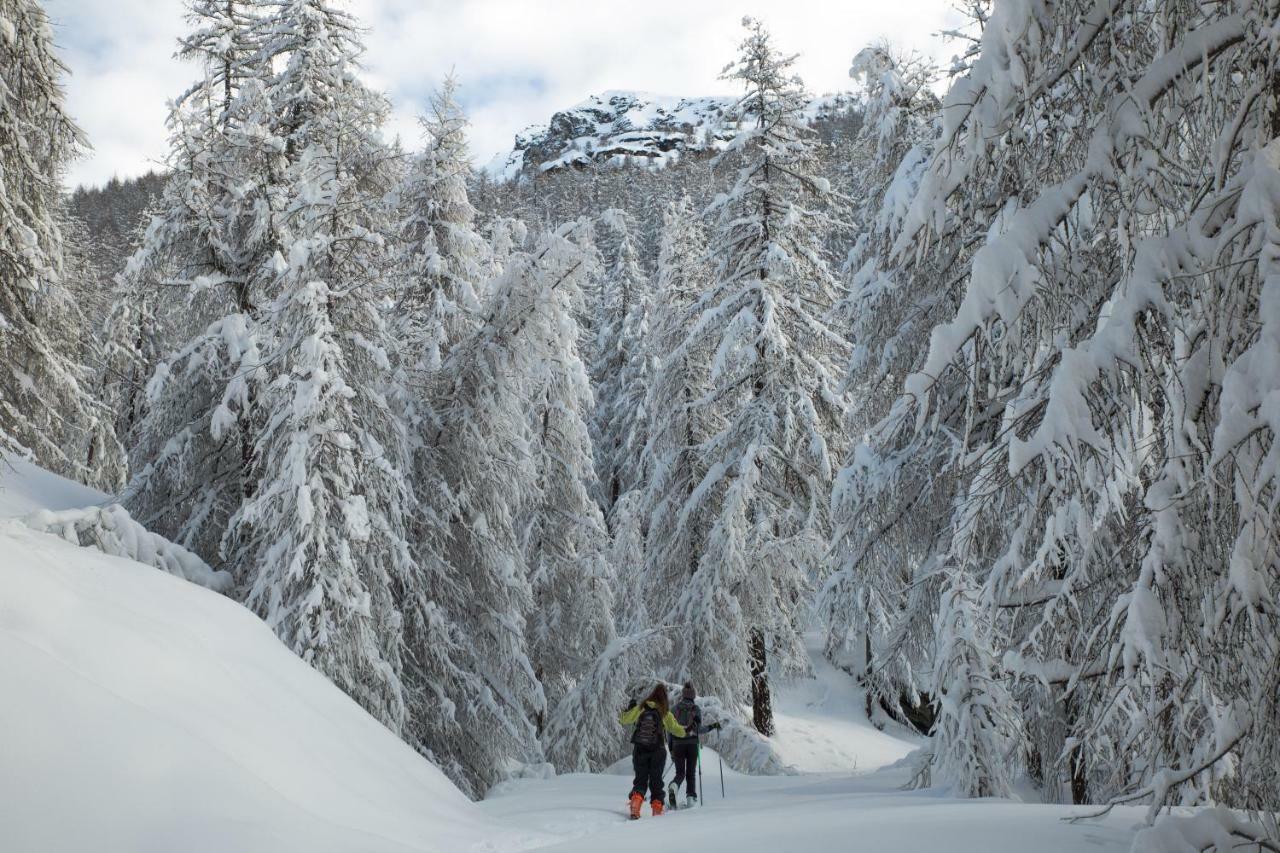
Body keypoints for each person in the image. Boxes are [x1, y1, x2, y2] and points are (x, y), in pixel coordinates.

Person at [618, 683, 687, 819]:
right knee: (656, 782)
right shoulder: (664, 712)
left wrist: (629, 709)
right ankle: (657, 812)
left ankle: (635, 807)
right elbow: (676, 729)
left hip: (640, 750)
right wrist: (687, 732)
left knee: (640, 780)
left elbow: (623, 719)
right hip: (658, 751)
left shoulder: (641, 707)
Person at [668, 681, 719, 808]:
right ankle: (691, 798)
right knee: (691, 772)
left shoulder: (674, 709)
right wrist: (712, 726)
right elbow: (698, 730)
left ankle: (674, 786)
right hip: (692, 745)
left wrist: (671, 748)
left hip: (677, 744)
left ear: (683, 695)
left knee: (680, 773)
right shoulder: (696, 709)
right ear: (693, 696)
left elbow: (669, 730)